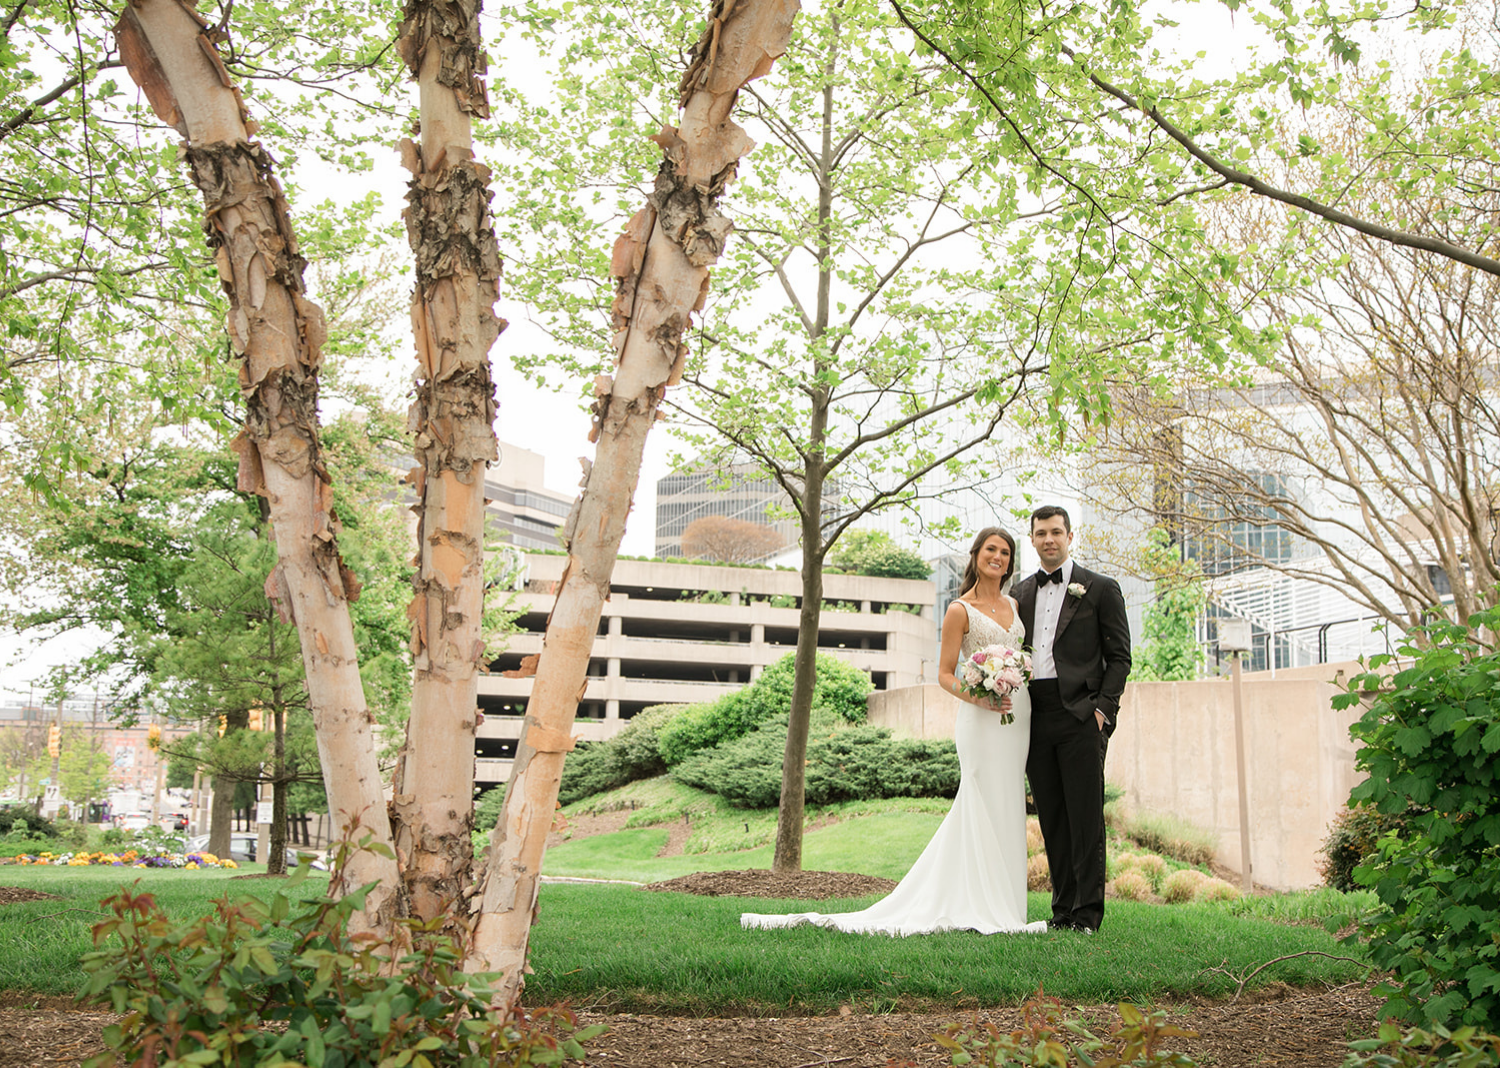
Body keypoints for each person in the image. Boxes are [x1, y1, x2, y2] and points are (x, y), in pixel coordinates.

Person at [740, 527, 1046, 936]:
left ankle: (1007, 906)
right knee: (979, 800)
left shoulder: (1014, 603)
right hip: (980, 716)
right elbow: (943, 674)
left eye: (1006, 552)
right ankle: (975, 901)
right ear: (976, 556)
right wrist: (980, 697)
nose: (999, 557)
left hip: (1016, 716)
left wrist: (1012, 681)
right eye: (991, 549)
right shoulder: (959, 609)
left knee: (1008, 802)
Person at [1011, 505, 1132, 934]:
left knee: (1084, 818)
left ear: (1069, 536)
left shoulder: (1100, 588)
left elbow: (1119, 658)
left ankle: (1087, 916)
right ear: (1032, 539)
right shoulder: (1020, 594)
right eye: (1041, 533)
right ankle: (1062, 911)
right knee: (1052, 819)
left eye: (1056, 532)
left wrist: (1102, 711)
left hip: (1081, 714)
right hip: (1034, 716)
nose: (1049, 539)